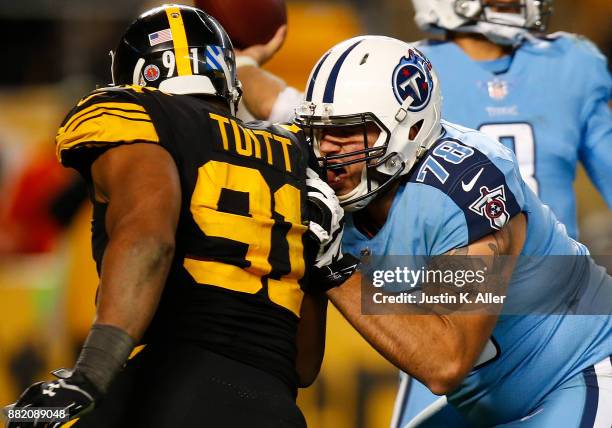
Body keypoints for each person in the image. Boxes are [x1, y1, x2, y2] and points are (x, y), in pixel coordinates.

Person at [2, 5, 351, 427]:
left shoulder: (139, 116)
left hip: (171, 391)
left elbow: (150, 240)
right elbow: (304, 366)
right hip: (275, 405)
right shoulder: (296, 157)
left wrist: (90, 375)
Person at [295, 35, 612, 427]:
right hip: (486, 403)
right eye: (319, 131)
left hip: (578, 372)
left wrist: (332, 267)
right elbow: (301, 368)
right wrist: (303, 261)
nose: (327, 152)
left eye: (350, 132)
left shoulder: (466, 183)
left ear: (410, 130)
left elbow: (445, 362)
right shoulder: (321, 190)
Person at [235, 0, 612, 240]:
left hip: (467, 291)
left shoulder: (403, 68)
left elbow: (289, 107)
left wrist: (243, 62)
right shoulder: (573, 62)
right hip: (491, 290)